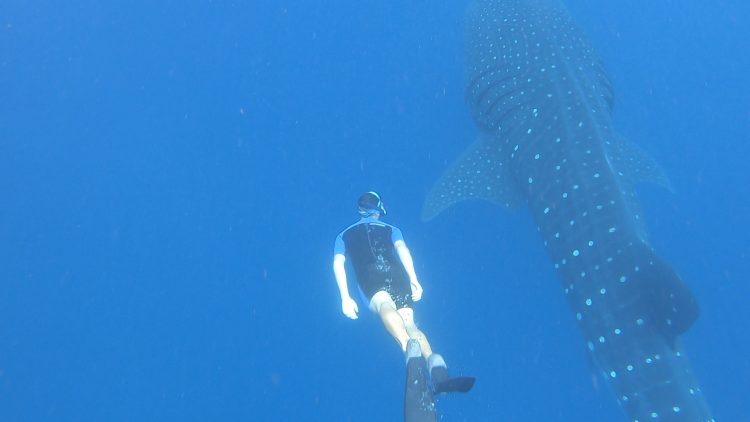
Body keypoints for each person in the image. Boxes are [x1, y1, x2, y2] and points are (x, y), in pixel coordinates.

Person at [333, 191, 448, 377]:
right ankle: (434, 362)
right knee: (411, 324)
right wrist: (413, 278)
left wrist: (345, 297)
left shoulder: (343, 236)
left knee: (384, 304)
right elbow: (403, 249)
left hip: (370, 276)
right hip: (398, 275)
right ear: (379, 209)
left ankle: (409, 351)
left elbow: (338, 263)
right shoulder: (392, 229)